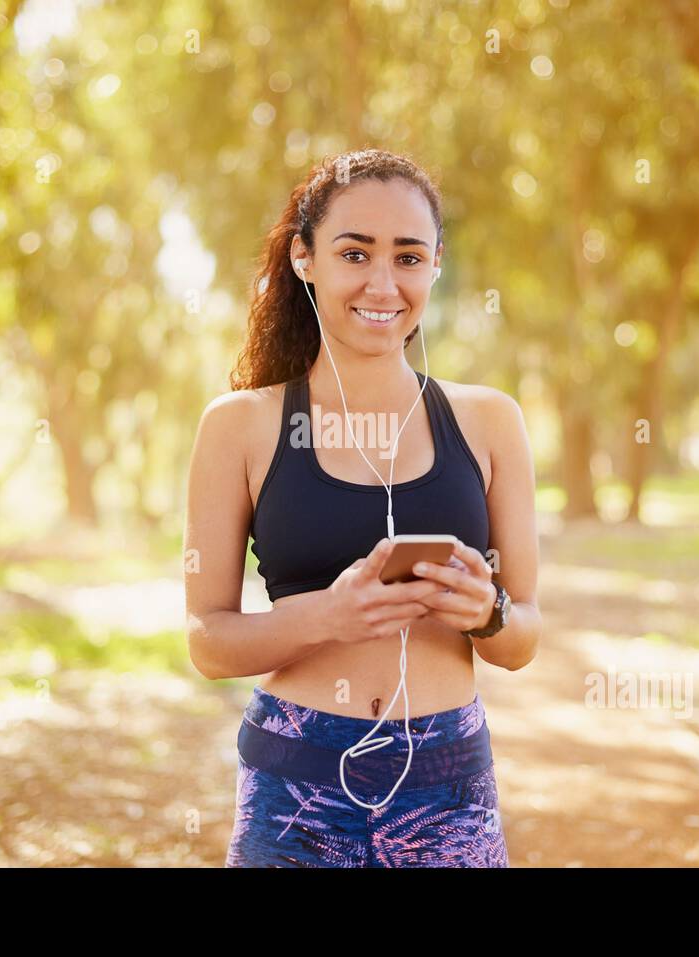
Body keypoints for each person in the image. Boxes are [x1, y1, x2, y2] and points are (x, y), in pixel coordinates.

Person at [184, 147, 541, 867]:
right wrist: (328, 615)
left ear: (436, 265)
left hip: (448, 789)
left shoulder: (490, 421)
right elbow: (208, 641)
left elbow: (522, 637)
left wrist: (486, 610)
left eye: (409, 258)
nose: (384, 283)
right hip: (295, 787)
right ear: (304, 258)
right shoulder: (239, 425)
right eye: (355, 253)